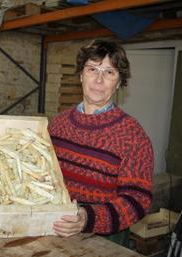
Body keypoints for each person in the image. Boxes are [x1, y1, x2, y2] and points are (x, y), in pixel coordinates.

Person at [48, 39, 154, 240]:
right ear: (81, 75)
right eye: (92, 69)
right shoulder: (58, 124)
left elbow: (138, 200)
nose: (99, 80)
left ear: (119, 83)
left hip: (104, 239)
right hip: (53, 226)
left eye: (109, 72)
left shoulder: (133, 136)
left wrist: (87, 218)